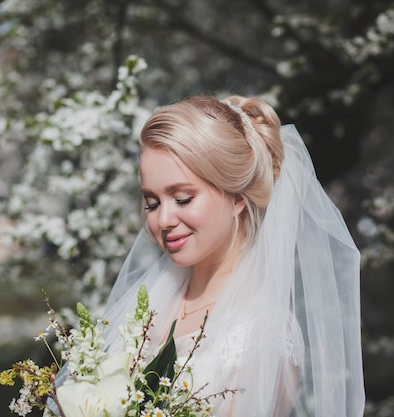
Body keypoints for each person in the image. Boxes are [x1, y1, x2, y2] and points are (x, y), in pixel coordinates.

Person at [102, 94, 365, 416]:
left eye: (183, 199)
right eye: (152, 203)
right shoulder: (148, 301)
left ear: (238, 198)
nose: (164, 220)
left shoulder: (262, 332)